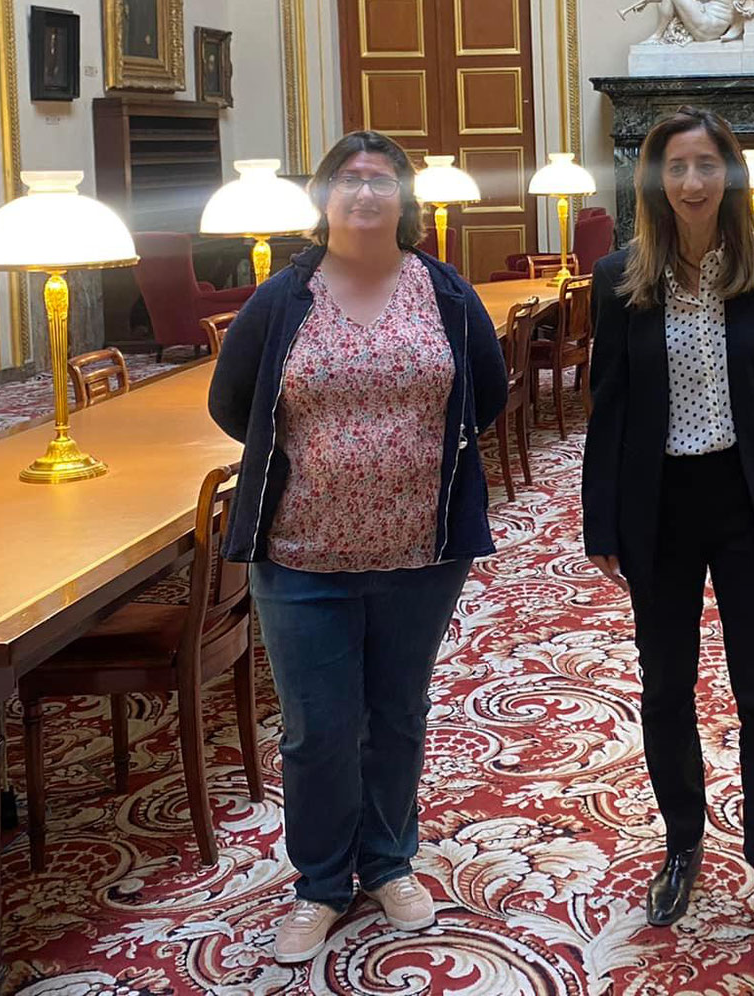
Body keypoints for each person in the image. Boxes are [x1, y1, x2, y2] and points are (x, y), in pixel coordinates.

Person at [209, 130, 506, 965]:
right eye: (348, 180)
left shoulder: (445, 294)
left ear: (404, 200)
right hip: (300, 552)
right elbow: (235, 404)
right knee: (316, 728)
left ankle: (387, 860)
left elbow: (485, 393)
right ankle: (318, 883)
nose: (365, 194)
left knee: (397, 715)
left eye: (380, 181)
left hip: (421, 552)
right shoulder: (280, 298)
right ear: (324, 197)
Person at [582, 106, 754, 975]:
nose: (691, 181)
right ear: (657, 181)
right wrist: (599, 520)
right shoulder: (621, 276)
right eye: (676, 167)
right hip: (659, 507)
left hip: (747, 501)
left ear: (729, 176)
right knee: (666, 684)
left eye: (706, 165)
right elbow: (606, 409)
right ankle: (682, 839)